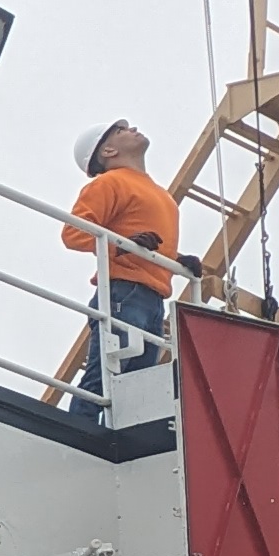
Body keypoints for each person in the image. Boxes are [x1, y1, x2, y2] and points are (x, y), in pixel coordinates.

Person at [63, 118, 182, 402]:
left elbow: (145, 244)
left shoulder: (160, 194)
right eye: (121, 131)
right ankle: (85, 431)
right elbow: (74, 233)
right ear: (108, 152)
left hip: (152, 299)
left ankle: (114, 438)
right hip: (125, 292)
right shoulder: (111, 183)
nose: (132, 129)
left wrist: (178, 260)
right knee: (106, 375)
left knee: (138, 389)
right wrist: (122, 247)